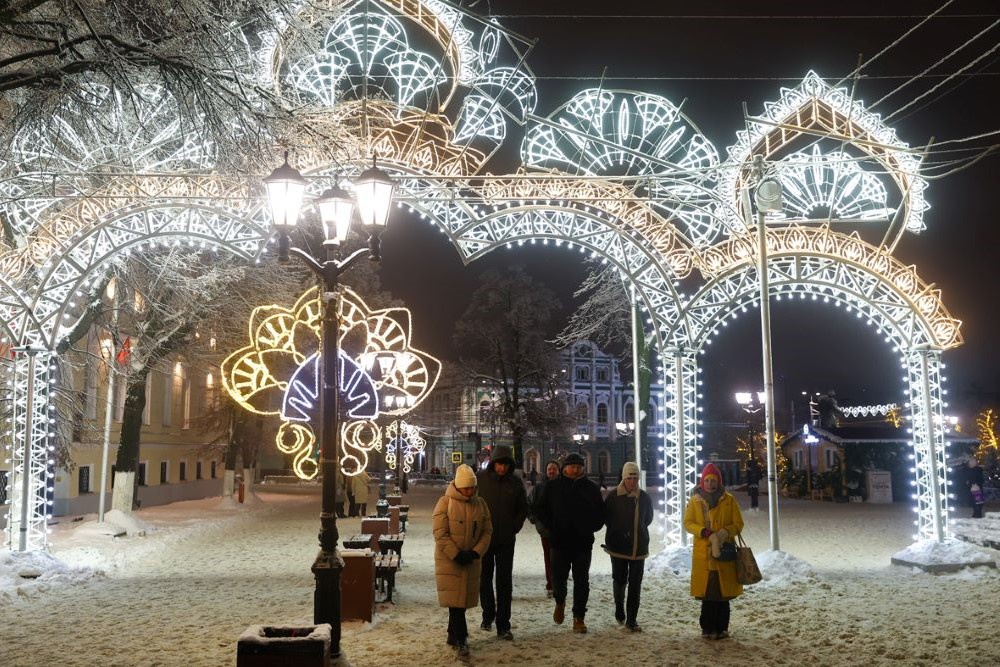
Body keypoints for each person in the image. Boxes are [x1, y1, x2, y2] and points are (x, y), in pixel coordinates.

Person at [536, 452, 605, 634]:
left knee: (582, 581)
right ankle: (560, 601)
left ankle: (579, 617)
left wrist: (591, 526)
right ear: (565, 468)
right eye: (572, 466)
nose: (575, 470)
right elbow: (541, 509)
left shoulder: (591, 488)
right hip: (559, 542)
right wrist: (552, 527)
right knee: (559, 578)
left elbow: (600, 512)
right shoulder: (553, 486)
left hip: (583, 543)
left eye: (578, 467)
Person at [433, 464, 493, 657]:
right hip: (449, 561)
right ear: (458, 487)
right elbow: (440, 533)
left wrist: (476, 552)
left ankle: (452, 634)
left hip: (471, 560)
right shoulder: (445, 503)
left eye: (472, 488)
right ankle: (461, 637)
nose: (469, 492)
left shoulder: (480, 504)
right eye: (466, 488)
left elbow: (487, 531)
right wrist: (456, 554)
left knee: (461, 600)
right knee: (456, 603)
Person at [684, 462, 745, 640]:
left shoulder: (729, 500)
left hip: (724, 553)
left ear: (719, 482)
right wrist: (704, 532)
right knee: (708, 593)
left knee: (723, 594)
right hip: (704, 555)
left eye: (713, 480)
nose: (710, 484)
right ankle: (707, 627)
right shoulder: (695, 501)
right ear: (702, 482)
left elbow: (738, 524)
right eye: (707, 480)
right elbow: (688, 523)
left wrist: (725, 532)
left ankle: (722, 627)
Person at [476, 445, 529, 640]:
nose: (502, 468)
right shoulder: (480, 479)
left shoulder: (515, 482)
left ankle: (503, 624)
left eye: (506, 465)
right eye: (499, 464)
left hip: (506, 539)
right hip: (484, 539)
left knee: (504, 582)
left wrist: (514, 526)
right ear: (493, 463)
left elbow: (523, 507)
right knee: (484, 578)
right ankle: (488, 614)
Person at [602, 462, 654, 632]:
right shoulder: (613, 497)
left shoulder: (644, 498)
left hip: (639, 547)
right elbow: (607, 518)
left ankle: (632, 619)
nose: (632, 481)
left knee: (635, 583)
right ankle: (619, 608)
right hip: (618, 547)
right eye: (629, 478)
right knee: (619, 579)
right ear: (624, 478)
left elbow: (648, 519)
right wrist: (618, 531)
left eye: (635, 478)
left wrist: (637, 530)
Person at [528, 460, 560, 597]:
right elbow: (530, 504)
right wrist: (535, 520)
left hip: (562, 531)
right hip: (546, 531)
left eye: (554, 469)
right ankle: (551, 585)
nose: (551, 471)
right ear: (546, 472)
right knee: (549, 558)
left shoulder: (563, 487)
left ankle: (559, 584)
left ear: (558, 470)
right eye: (549, 469)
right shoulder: (539, 488)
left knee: (561, 559)